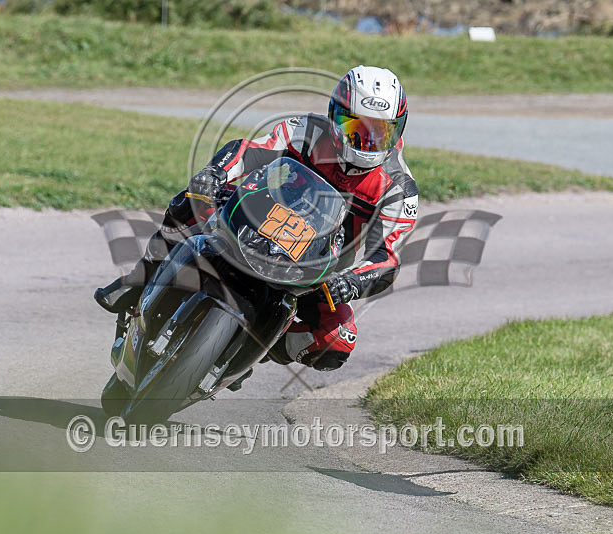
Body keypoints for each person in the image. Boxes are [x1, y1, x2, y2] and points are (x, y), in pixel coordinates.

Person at [96, 65, 418, 373]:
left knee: (337, 341)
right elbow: (250, 151)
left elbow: (385, 259)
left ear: (398, 130)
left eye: (378, 133)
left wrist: (351, 282)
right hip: (258, 218)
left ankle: (254, 347)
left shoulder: (399, 190)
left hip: (316, 269)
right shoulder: (306, 130)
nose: (364, 141)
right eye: (354, 127)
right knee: (191, 201)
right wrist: (215, 173)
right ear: (335, 116)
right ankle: (139, 278)